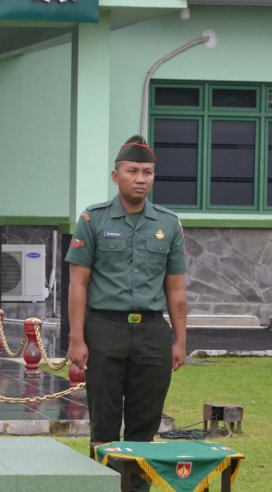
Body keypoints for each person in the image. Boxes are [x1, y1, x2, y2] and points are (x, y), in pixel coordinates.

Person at [65, 135, 187, 490]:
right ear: (115, 176)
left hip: (152, 332)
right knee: (103, 423)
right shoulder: (93, 219)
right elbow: (78, 285)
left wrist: (180, 340)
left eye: (147, 172)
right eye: (132, 171)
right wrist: (76, 338)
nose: (140, 178)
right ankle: (102, 486)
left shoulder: (168, 224)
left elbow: (176, 289)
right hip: (105, 328)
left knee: (144, 425)